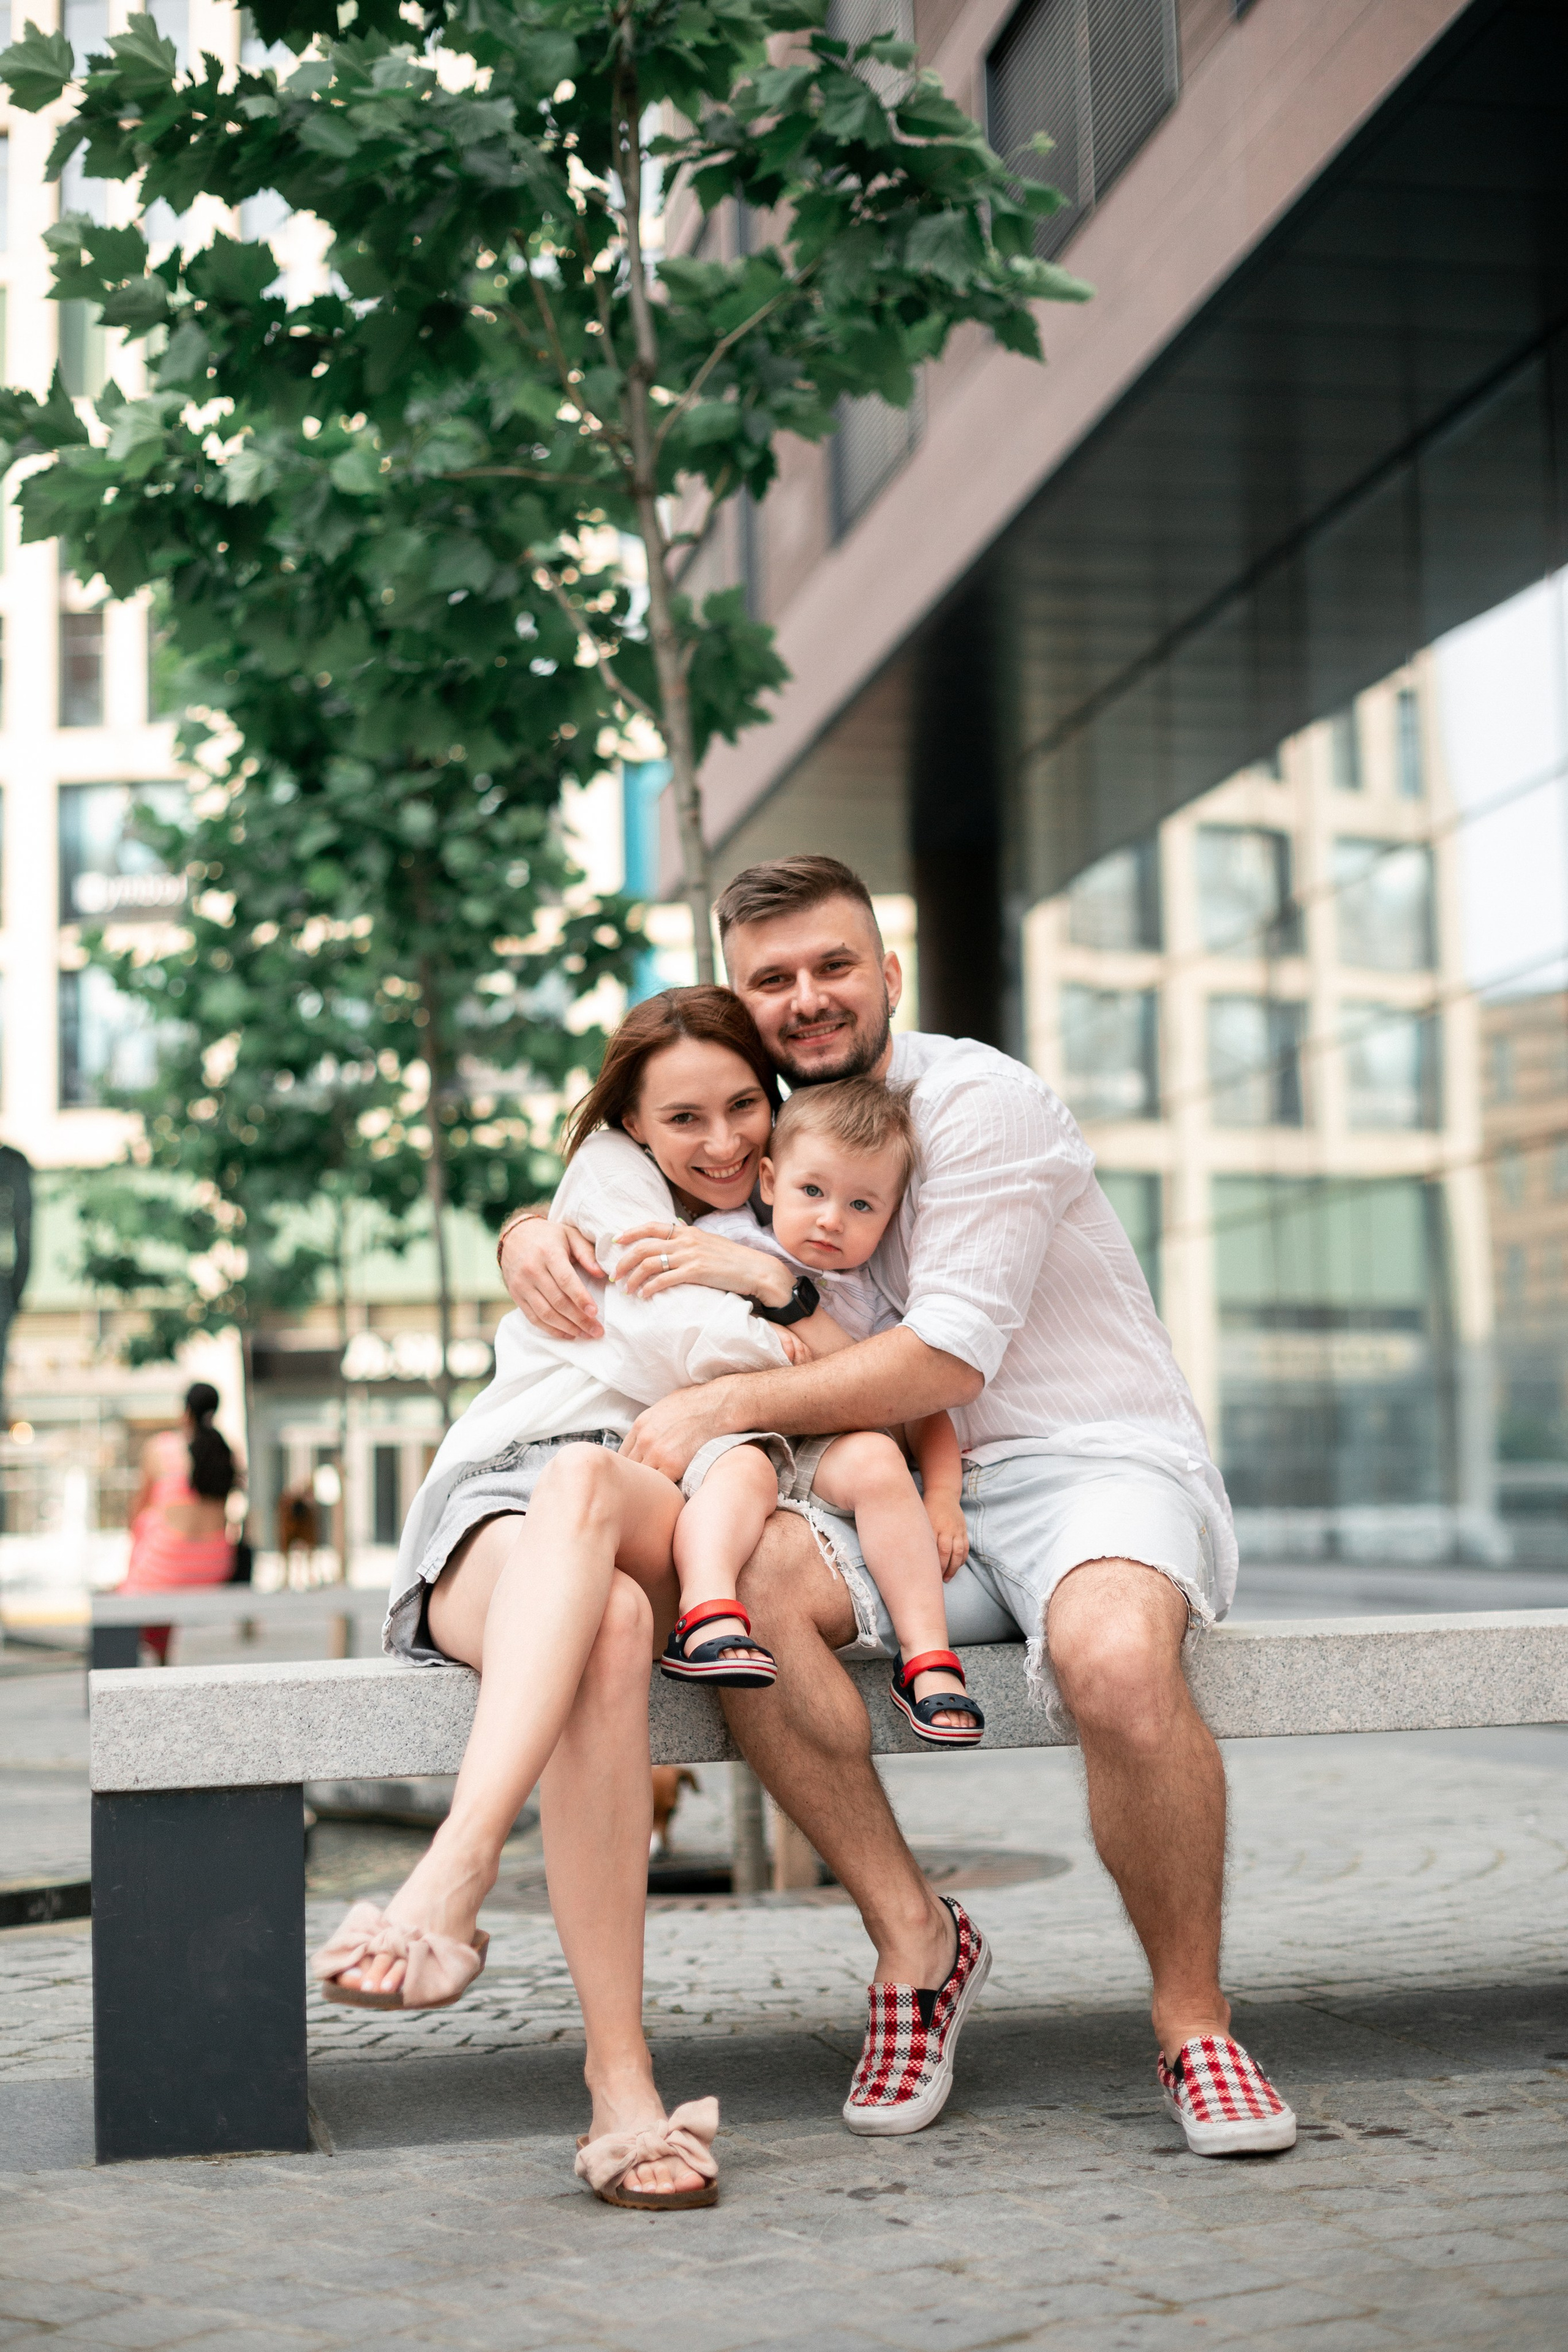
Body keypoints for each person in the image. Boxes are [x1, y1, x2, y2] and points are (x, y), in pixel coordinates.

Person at [500, 854, 1298, 2157]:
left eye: (830, 966)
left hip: (1080, 1459)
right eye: (771, 979)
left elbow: (945, 1361)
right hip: (884, 1485)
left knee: (1107, 1655)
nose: (806, 998)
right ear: (736, 998)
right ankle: (915, 1942)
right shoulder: (752, 1138)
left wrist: (713, 1409)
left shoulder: (976, 1103)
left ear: (887, 972)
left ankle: (1194, 2029)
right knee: (740, 1600)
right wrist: (523, 1233)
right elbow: (613, 1177)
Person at [311, 986, 854, 2210]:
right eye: (683, 1118)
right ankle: (621, 2087)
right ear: (631, 1125)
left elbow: (856, 1374)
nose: (720, 1142)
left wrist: (762, 1277)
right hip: (496, 1518)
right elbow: (673, 1345)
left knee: (588, 1488)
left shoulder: (812, 1200)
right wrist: (547, 1234)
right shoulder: (595, 1204)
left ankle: (450, 1877)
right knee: (605, 1615)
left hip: (658, 1497)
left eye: (741, 1107)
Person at [632, 1074, 983, 1744]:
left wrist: (942, 1497)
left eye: (861, 1206)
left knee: (881, 1458)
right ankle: (706, 1612)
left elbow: (922, 1406)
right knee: (743, 1474)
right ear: (768, 1180)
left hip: (826, 1447)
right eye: (812, 1192)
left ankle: (927, 1657)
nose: (831, 1219)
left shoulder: (876, 1296)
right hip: (733, 1432)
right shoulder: (719, 1237)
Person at [121, 1381, 237, 1663]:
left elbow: (136, 1510)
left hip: (166, 1567)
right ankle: (161, 1653)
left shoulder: (162, 1447)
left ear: (186, 1412)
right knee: (156, 1538)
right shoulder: (225, 1451)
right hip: (216, 1565)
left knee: (148, 1525)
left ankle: (158, 1651)